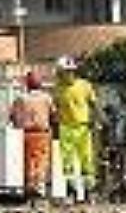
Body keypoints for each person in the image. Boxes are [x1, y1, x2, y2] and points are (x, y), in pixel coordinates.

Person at [54, 56, 97, 202]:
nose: (65, 75)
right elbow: (55, 109)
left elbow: (93, 104)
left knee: (87, 161)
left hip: (83, 127)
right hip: (65, 128)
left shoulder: (85, 85)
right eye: (62, 72)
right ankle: (71, 191)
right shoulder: (57, 89)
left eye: (67, 72)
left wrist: (96, 121)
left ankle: (88, 192)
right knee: (67, 163)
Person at [10, 69, 55, 199]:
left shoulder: (20, 99)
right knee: (40, 160)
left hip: (24, 134)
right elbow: (53, 115)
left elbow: (12, 116)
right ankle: (38, 186)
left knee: (26, 160)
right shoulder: (46, 98)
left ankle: (28, 185)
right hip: (41, 133)